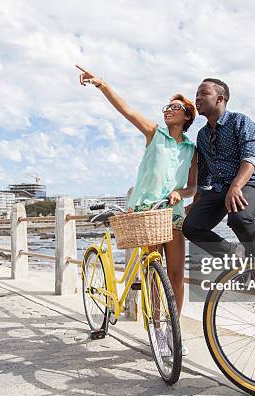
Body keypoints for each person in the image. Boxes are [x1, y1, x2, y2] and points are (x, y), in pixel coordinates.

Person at [77, 65, 197, 355]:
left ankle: (172, 330)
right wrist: (102, 84)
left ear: (186, 116)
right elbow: (127, 111)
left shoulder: (192, 150)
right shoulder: (155, 133)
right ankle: (157, 327)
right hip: (146, 212)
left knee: (177, 275)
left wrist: (180, 192)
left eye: (175, 107)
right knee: (155, 273)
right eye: (167, 106)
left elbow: (193, 186)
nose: (168, 110)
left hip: (173, 215)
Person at [182, 78, 255, 262]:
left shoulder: (241, 121)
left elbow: (251, 158)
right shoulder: (202, 135)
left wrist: (236, 186)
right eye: (196, 94)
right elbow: (204, 175)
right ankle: (234, 253)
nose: (197, 98)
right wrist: (196, 204)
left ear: (220, 98)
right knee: (190, 226)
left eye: (203, 93)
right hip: (220, 189)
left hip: (249, 183)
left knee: (239, 218)